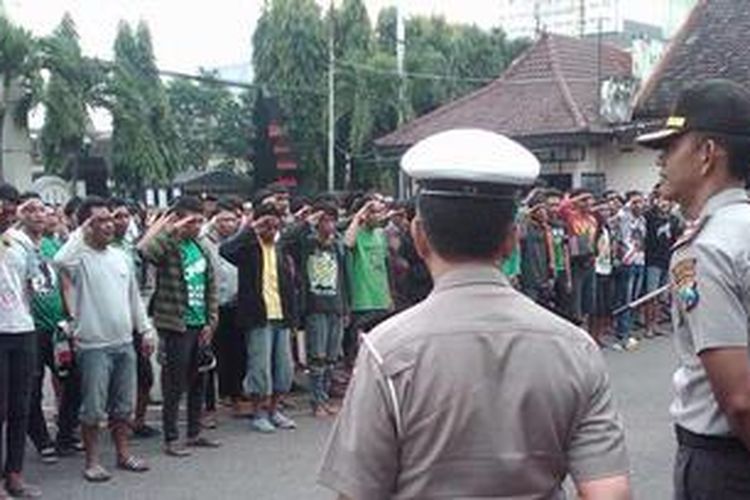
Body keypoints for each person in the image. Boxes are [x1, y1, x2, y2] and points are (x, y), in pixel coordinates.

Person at [318, 129, 631, 499]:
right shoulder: (575, 346)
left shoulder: (387, 350)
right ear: (512, 238)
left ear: (419, 236)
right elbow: (609, 492)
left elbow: (358, 493)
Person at [636, 79, 750, 499]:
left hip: (726, 465)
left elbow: (739, 399)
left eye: (671, 146)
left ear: (706, 154)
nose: (661, 160)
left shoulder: (706, 249)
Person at [54, 196, 153, 482]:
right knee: (93, 408)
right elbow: (60, 260)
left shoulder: (121, 256)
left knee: (124, 406)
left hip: (124, 342)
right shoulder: (80, 256)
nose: (108, 225)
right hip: (93, 345)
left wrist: (145, 329)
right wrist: (79, 231)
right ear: (86, 225)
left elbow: (134, 297)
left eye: (110, 219)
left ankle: (123, 455)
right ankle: (93, 461)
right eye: (99, 221)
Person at [138, 196, 221, 456]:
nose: (196, 225)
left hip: (200, 323)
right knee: (174, 383)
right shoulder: (170, 245)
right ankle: (171, 438)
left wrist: (211, 320)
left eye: (199, 221)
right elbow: (146, 253)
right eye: (191, 220)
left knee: (199, 381)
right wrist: (172, 229)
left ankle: (194, 433)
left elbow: (211, 286)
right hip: (176, 323)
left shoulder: (201, 247)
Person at [220, 201, 298, 433]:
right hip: (258, 317)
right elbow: (225, 250)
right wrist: (251, 229)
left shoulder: (281, 247)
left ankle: (275, 410)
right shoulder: (248, 247)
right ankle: (258, 412)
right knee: (259, 368)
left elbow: (289, 284)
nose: (271, 230)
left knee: (283, 367)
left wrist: (292, 319)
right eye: (266, 225)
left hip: (281, 315)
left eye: (275, 225)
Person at [284, 200, 348, 417]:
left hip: (336, 305)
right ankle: (316, 400)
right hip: (315, 306)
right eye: (324, 220)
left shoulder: (338, 244)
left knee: (331, 357)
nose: (328, 225)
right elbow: (285, 240)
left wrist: (346, 306)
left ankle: (325, 398)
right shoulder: (306, 242)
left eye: (332, 220)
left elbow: (344, 277)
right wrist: (306, 222)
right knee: (317, 356)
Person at [0, 184, 42, 498]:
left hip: (22, 330)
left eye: (12, 206)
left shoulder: (20, 242)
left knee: (20, 406)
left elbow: (28, 285)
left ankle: (14, 474)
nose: (7, 211)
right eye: (3, 205)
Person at [613, 191, 647, 351]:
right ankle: (622, 332)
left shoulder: (642, 220)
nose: (639, 205)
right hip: (627, 261)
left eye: (641, 202)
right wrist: (627, 205)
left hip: (640, 260)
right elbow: (617, 220)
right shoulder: (623, 217)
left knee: (635, 299)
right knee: (625, 299)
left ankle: (630, 329)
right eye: (635, 202)